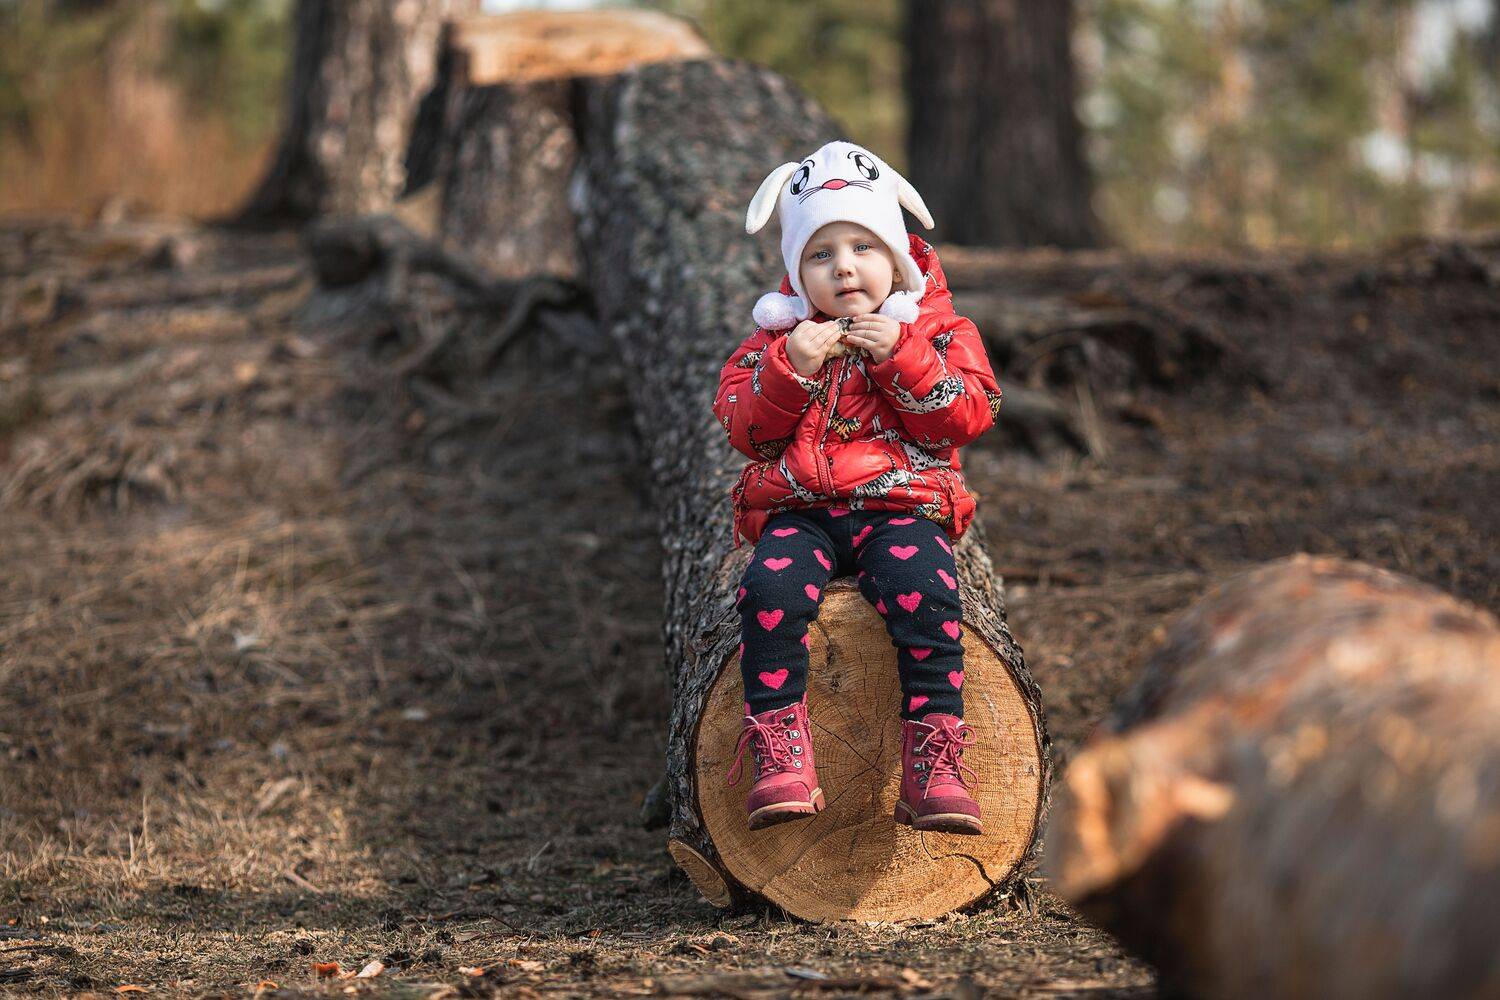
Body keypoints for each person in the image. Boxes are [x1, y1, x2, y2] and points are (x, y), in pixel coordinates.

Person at [713, 140, 1002, 835]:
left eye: (863, 247)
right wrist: (790, 372)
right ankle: (780, 754)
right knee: (769, 593)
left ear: (897, 256)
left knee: (930, 595)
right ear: (796, 274)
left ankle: (934, 761)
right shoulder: (773, 345)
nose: (844, 266)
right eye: (820, 254)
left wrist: (901, 357)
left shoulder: (935, 331)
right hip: (803, 513)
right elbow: (744, 430)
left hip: (900, 510)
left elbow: (968, 413)